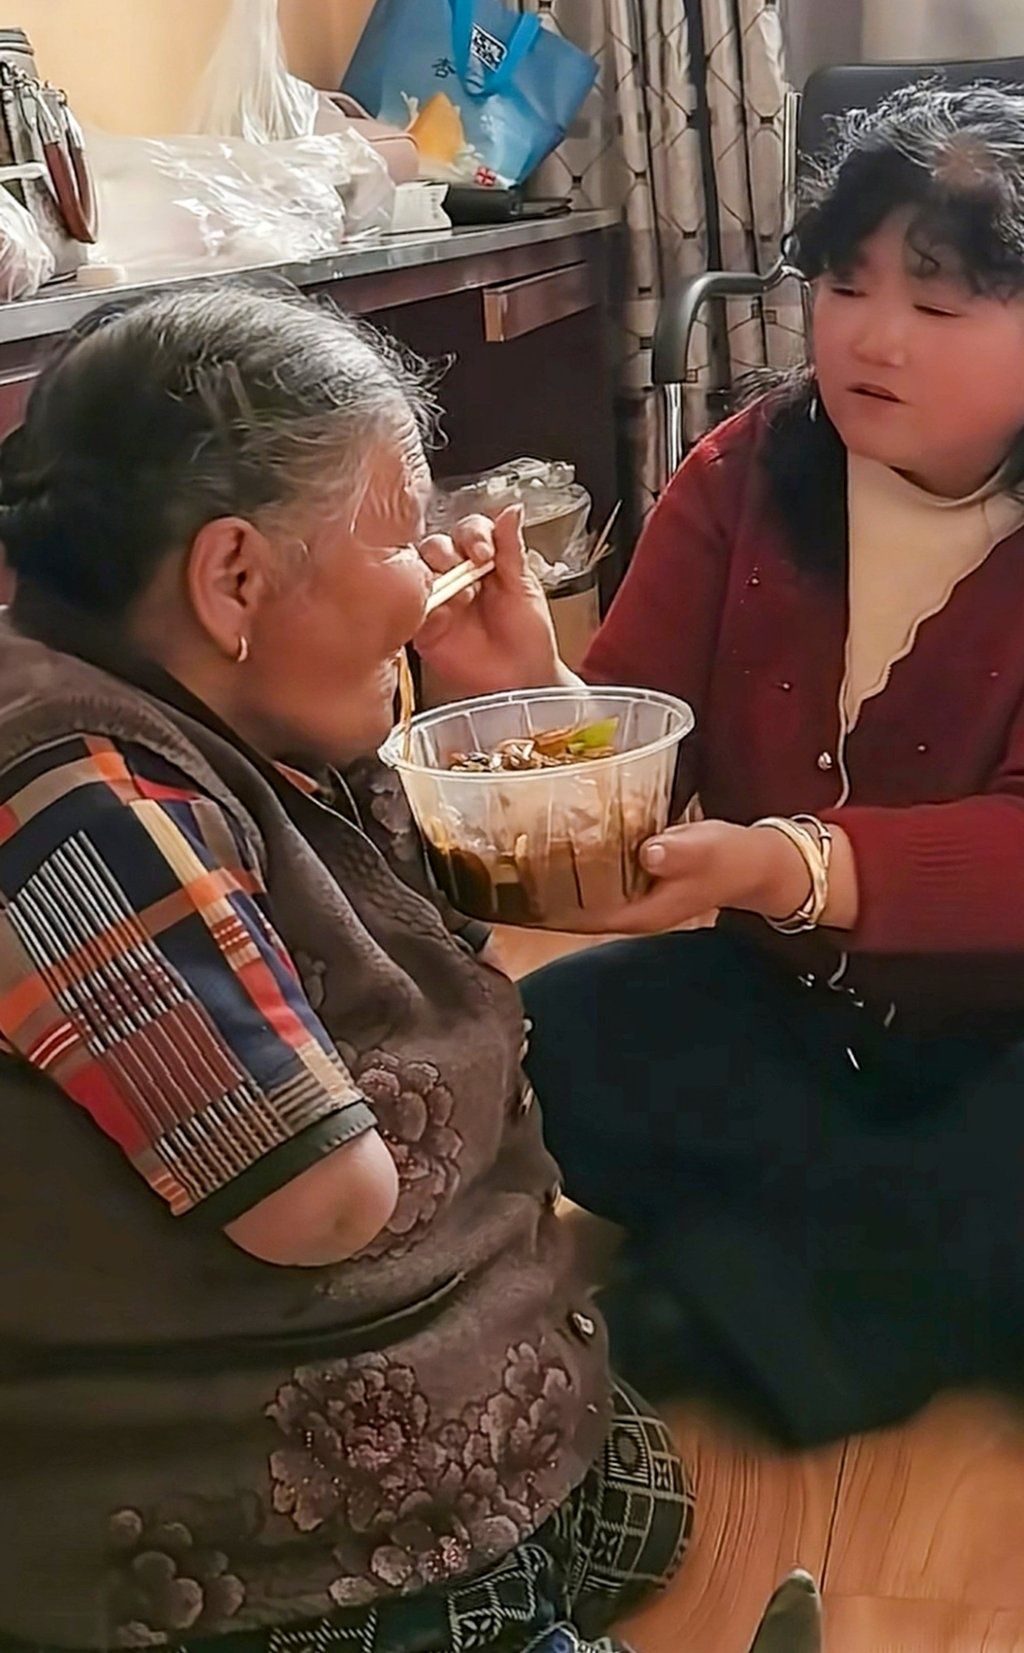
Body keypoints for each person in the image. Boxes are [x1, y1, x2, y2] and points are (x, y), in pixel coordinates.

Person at [0, 285, 699, 1653]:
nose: (437, 566)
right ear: (236, 580)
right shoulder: (76, 806)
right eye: (403, 531)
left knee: (632, 1508)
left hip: (402, 1352)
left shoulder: (230, 708)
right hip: (186, 1468)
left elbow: (568, 889)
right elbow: (321, 1205)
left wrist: (525, 694)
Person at [416, 81, 1024, 1448]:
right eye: (846, 284)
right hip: (798, 1009)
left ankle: (778, 1296)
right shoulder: (750, 468)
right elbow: (638, 738)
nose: (871, 338)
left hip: (1008, 1035)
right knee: (546, 1041)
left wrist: (793, 864)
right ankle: (894, 1279)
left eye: (938, 306)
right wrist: (529, 687)